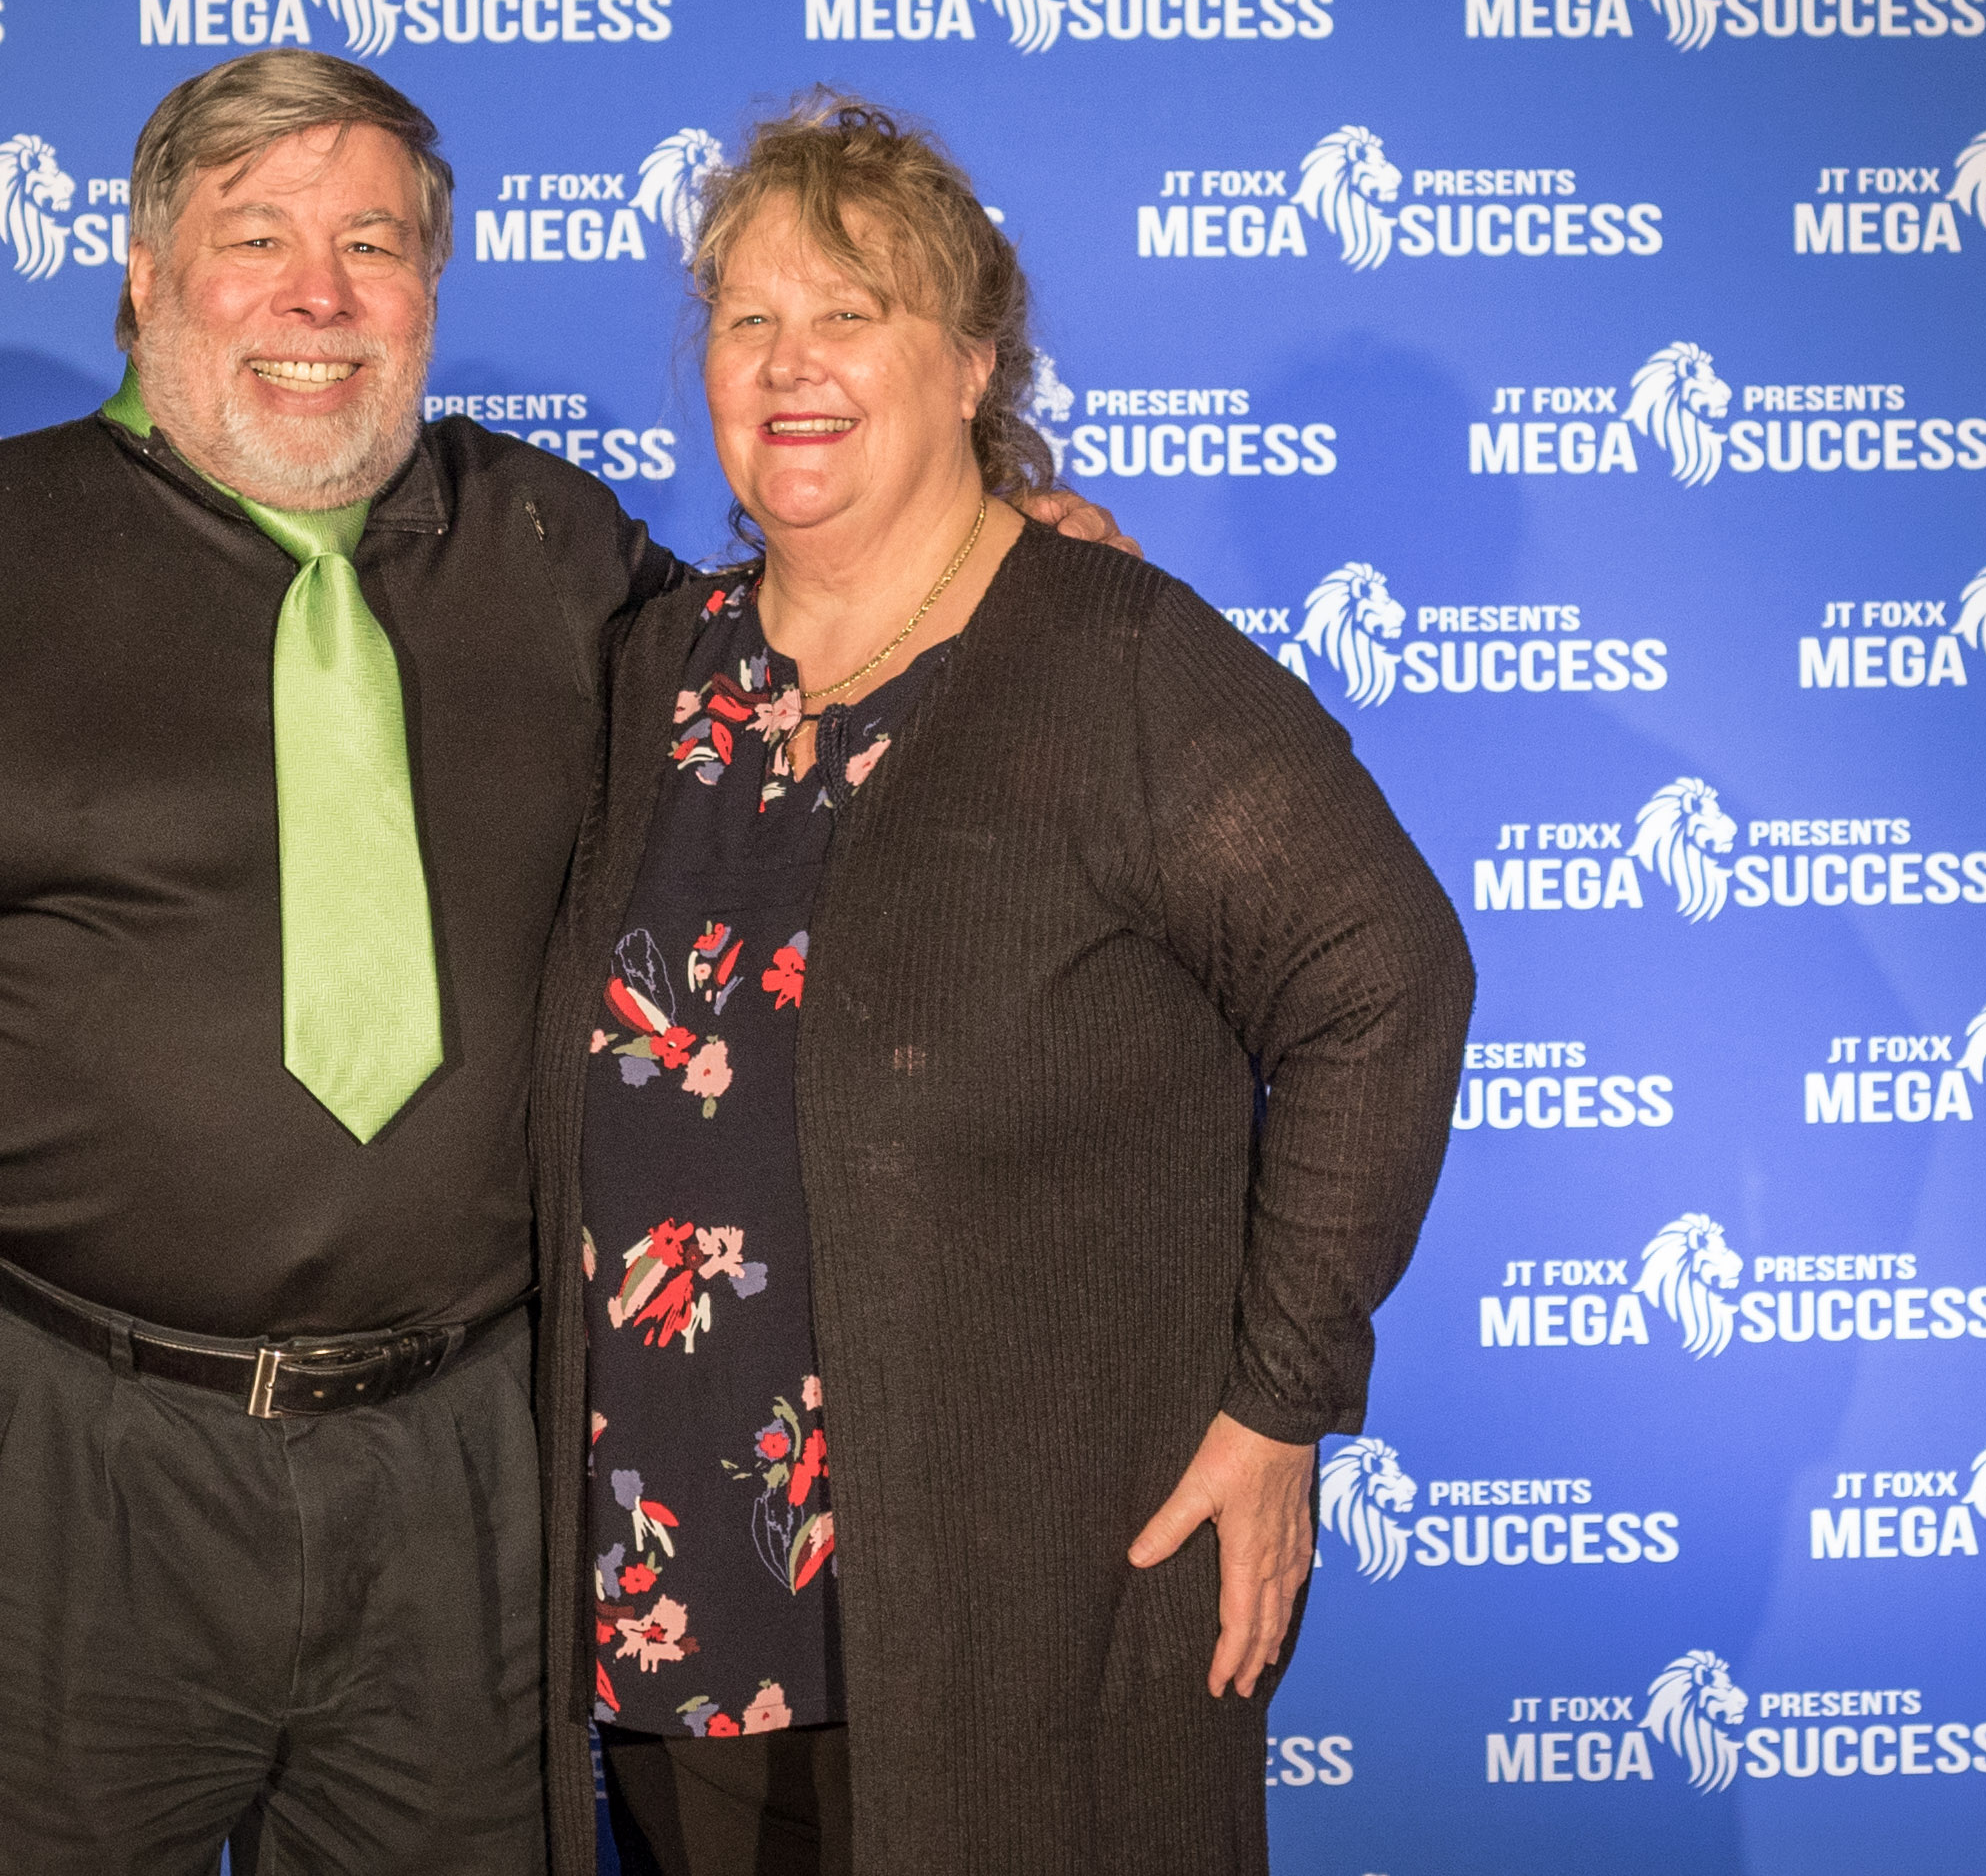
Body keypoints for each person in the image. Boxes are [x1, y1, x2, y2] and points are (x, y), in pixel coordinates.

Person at [0, 50, 1123, 1874]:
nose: (317, 296)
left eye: (371, 244)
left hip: (463, 1474)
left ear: (430, 287)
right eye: (253, 238)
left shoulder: (559, 553)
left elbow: (809, 680)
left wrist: (993, 564)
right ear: (144, 275)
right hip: (39, 1453)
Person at [532, 95, 1473, 1876]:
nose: (789, 363)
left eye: (849, 313)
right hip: (680, 1604)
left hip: (1030, 1602)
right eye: (748, 316)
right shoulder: (653, 668)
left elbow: (1383, 979)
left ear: (971, 363)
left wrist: (1279, 1403)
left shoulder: (1112, 658)